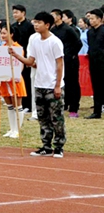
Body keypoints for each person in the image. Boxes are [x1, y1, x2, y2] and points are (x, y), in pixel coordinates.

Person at [9, 12, 66, 158]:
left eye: (39, 22)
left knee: (56, 117)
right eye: (34, 22)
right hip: (39, 84)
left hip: (52, 84)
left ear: (47, 25)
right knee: (43, 117)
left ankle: (58, 146)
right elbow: (30, 61)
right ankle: (46, 146)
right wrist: (16, 55)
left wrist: (58, 85)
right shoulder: (34, 40)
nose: (35, 25)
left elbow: (60, 65)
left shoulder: (55, 42)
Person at [51, 9, 82, 118]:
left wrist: (72, 54)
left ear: (59, 17)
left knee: (72, 83)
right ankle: (63, 105)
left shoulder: (69, 29)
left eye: (53, 15)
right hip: (58, 60)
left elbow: (78, 43)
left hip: (70, 61)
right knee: (61, 83)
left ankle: (74, 108)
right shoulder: (53, 30)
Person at [0, 22, 26, 138]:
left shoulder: (18, 48)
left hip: (15, 80)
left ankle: (17, 130)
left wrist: (17, 75)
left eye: (4, 33)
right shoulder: (1, 48)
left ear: (11, 34)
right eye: (1, 33)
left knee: (17, 106)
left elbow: (20, 64)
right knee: (9, 106)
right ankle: (12, 128)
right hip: (4, 81)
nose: (2, 35)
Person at [12, 4, 36, 115]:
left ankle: (28, 105)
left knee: (26, 81)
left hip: (26, 57)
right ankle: (17, 103)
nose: (14, 14)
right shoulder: (12, 26)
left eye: (17, 12)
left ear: (23, 13)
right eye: (13, 12)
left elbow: (31, 43)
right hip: (14, 56)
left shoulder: (30, 26)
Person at [85, 9, 103, 119]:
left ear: (100, 19)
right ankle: (97, 111)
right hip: (94, 63)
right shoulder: (90, 32)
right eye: (89, 19)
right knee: (96, 87)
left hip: (103, 62)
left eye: (92, 19)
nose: (90, 21)